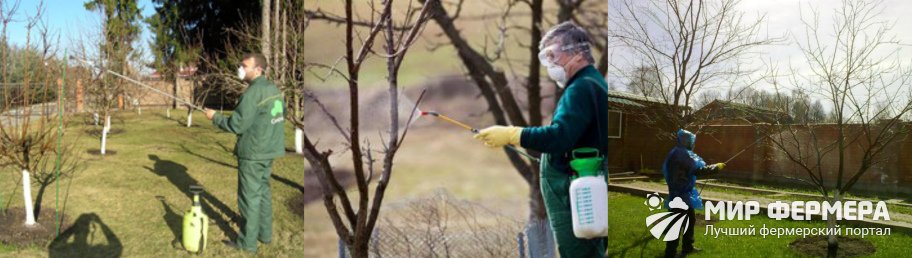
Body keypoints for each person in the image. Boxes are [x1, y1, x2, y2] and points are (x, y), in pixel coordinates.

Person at [473, 21, 608, 258]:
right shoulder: (594, 83)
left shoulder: (580, 89)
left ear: (576, 53)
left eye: (553, 55)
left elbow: (559, 137)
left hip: (575, 195)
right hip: (587, 188)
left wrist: (513, 134)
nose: (551, 64)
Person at [204, 53, 285, 253]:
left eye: (244, 66)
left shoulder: (253, 93)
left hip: (253, 153)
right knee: (263, 193)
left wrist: (215, 117)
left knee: (249, 198)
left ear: (258, 69)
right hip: (269, 151)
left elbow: (236, 124)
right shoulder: (273, 89)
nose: (240, 69)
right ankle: (264, 235)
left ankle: (247, 243)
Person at [661, 129, 725, 258]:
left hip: (682, 194)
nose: (691, 143)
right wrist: (716, 168)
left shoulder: (677, 152)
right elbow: (698, 170)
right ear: (683, 140)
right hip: (680, 195)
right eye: (689, 141)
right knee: (677, 223)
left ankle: (687, 247)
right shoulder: (682, 155)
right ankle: (670, 253)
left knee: (690, 220)